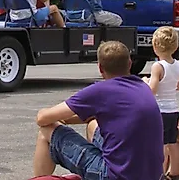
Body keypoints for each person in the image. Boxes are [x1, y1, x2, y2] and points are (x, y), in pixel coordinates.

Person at [33, 41, 164, 180]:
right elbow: (98, 114)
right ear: (130, 63)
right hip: (152, 175)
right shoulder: (142, 87)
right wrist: (68, 119)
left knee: (46, 130)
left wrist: (55, 117)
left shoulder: (100, 91)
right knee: (93, 125)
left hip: (113, 176)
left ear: (100, 68)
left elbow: (43, 118)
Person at [143, 26, 179, 174]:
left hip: (160, 110)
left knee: (160, 144)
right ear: (176, 46)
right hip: (174, 109)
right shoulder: (177, 64)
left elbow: (152, 90)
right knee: (173, 143)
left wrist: (145, 82)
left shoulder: (157, 66)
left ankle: (160, 172)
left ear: (155, 46)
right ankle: (175, 172)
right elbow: (178, 86)